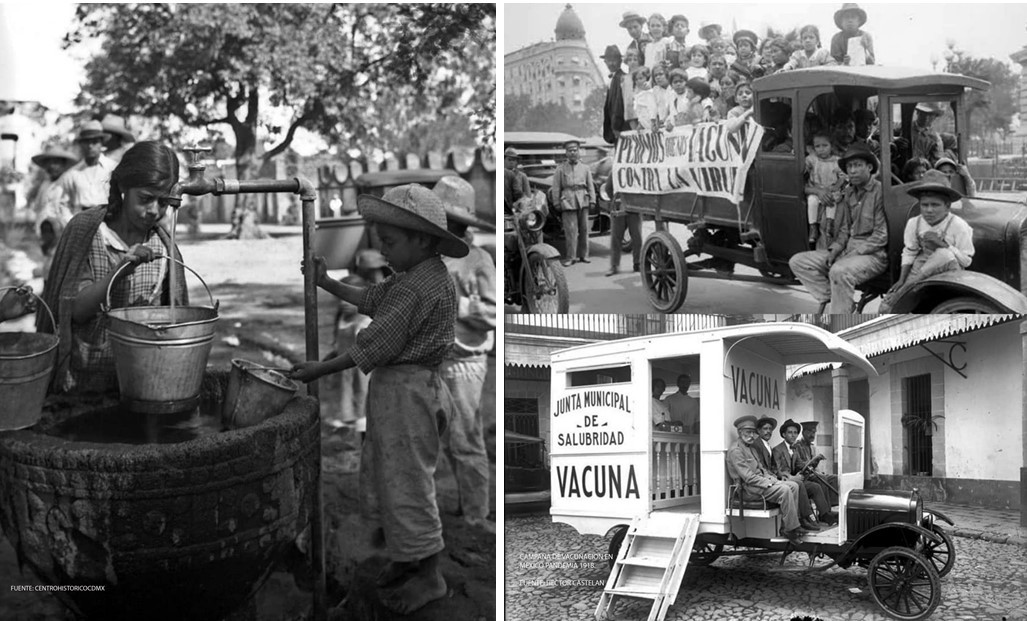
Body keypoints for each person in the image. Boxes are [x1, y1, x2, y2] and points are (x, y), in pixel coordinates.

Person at [290, 184, 468, 615]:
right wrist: (328, 282)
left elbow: (373, 345)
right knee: (394, 478)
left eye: (390, 242)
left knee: (407, 484)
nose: (383, 251)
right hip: (404, 391)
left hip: (408, 393)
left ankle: (430, 576)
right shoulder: (417, 276)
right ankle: (409, 561)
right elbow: (372, 299)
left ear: (421, 240)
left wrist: (319, 370)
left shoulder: (415, 288)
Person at [38, 141, 189, 393]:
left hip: (140, 383)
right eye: (145, 199)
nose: (154, 210)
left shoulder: (162, 247)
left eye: (163, 202)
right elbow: (73, 310)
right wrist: (120, 272)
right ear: (122, 187)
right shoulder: (88, 232)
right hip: (83, 384)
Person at [430, 176, 497, 533]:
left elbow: (491, 314)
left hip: (464, 364)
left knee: (466, 439)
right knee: (446, 438)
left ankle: (477, 515)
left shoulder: (478, 260)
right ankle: (463, 505)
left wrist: (455, 304)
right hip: (438, 361)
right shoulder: (434, 259)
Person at [789, 143, 887, 313]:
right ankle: (837, 300)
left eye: (858, 165)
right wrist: (835, 249)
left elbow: (880, 235)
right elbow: (845, 230)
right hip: (847, 252)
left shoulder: (879, 191)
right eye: (849, 166)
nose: (853, 171)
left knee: (839, 270)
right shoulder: (849, 192)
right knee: (798, 262)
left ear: (869, 167)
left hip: (873, 255)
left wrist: (853, 253)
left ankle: (840, 318)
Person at [880, 170, 974, 312]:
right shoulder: (914, 223)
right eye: (925, 205)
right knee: (887, 307)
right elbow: (909, 252)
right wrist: (901, 280)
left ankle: (907, 288)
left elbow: (966, 261)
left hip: (950, 270)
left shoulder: (958, 225)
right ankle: (905, 290)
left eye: (935, 205)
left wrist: (945, 245)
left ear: (947, 206)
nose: (929, 210)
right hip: (921, 266)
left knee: (943, 254)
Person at [725, 415, 809, 543]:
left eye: (753, 432)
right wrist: (769, 483)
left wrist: (775, 480)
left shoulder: (751, 448)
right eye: (748, 432)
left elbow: (762, 469)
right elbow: (748, 477)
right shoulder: (736, 451)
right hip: (748, 490)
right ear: (739, 432)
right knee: (785, 490)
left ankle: (788, 525)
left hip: (759, 486)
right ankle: (790, 529)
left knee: (793, 485)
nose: (752, 436)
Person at [753, 417, 822, 531]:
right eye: (765, 429)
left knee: (811, 484)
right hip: (766, 481)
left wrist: (812, 465)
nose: (768, 431)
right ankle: (802, 519)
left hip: (773, 477)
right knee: (797, 484)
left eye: (770, 429)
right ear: (759, 431)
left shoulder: (769, 445)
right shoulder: (760, 445)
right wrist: (783, 478)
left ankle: (814, 517)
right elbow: (765, 468)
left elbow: (794, 464)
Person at [327, 274, 372, 427]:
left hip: (360, 372)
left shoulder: (364, 322)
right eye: (340, 298)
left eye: (348, 298)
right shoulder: (341, 319)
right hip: (343, 372)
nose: (343, 303)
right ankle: (346, 424)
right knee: (343, 396)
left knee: (361, 397)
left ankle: (361, 426)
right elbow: (337, 343)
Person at [773, 419, 836, 525]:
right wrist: (791, 477)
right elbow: (777, 470)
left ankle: (825, 514)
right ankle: (807, 517)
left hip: (797, 479)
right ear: (783, 434)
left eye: (795, 433)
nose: (793, 435)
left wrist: (812, 463)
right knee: (814, 485)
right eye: (790, 433)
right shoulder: (778, 450)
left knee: (816, 486)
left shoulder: (794, 449)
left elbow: (799, 464)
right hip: (785, 481)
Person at [29, 145, 79, 277]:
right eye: (49, 163)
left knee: (60, 271)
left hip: (64, 233)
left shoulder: (68, 181)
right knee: (48, 269)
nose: (53, 166)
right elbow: (39, 208)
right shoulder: (45, 185)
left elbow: (75, 206)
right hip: (46, 235)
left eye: (56, 162)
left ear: (63, 164)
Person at [550, 140, 596, 266]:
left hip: (583, 200)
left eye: (575, 150)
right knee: (571, 231)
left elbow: (590, 185)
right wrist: (556, 202)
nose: (573, 152)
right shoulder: (560, 169)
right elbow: (556, 187)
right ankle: (571, 257)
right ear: (566, 153)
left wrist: (593, 199)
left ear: (579, 151)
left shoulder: (585, 168)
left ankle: (584, 255)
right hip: (568, 201)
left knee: (585, 230)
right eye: (570, 150)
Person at [57, 120, 117, 213]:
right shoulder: (72, 174)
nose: (90, 146)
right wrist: (71, 222)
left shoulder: (113, 168)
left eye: (95, 142)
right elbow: (64, 204)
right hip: (80, 219)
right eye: (86, 142)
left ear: (101, 143)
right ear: (81, 144)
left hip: (107, 219)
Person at [805, 132, 845, 247]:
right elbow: (803, 169)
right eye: (817, 146)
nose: (821, 149)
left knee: (831, 202)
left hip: (831, 189)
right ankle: (813, 226)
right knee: (812, 201)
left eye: (825, 145)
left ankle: (829, 224)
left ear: (831, 146)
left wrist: (836, 187)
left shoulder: (837, 161)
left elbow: (842, 177)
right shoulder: (812, 160)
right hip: (816, 188)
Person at [794, 420, 840, 506]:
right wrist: (815, 460)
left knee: (834, 478)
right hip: (804, 476)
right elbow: (799, 466)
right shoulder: (797, 446)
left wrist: (818, 469)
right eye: (810, 432)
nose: (812, 435)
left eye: (814, 432)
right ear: (803, 432)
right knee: (822, 479)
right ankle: (825, 511)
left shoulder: (811, 446)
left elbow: (814, 467)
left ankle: (832, 505)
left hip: (814, 474)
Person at [601, 45, 635, 144]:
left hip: (622, 128)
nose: (611, 63)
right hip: (615, 130)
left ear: (620, 61)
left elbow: (619, 105)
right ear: (605, 62)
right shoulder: (611, 80)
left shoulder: (623, 78)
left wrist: (616, 127)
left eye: (614, 60)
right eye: (609, 60)